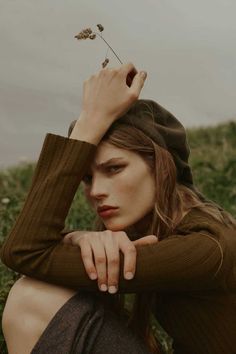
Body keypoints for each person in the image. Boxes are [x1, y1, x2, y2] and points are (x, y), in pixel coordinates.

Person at [1, 62, 236, 354]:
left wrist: (91, 120)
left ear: (161, 168)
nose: (96, 191)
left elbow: (25, 251)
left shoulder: (205, 247)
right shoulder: (163, 226)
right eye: (86, 178)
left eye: (114, 169)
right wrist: (78, 237)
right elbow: (31, 252)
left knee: (32, 299)